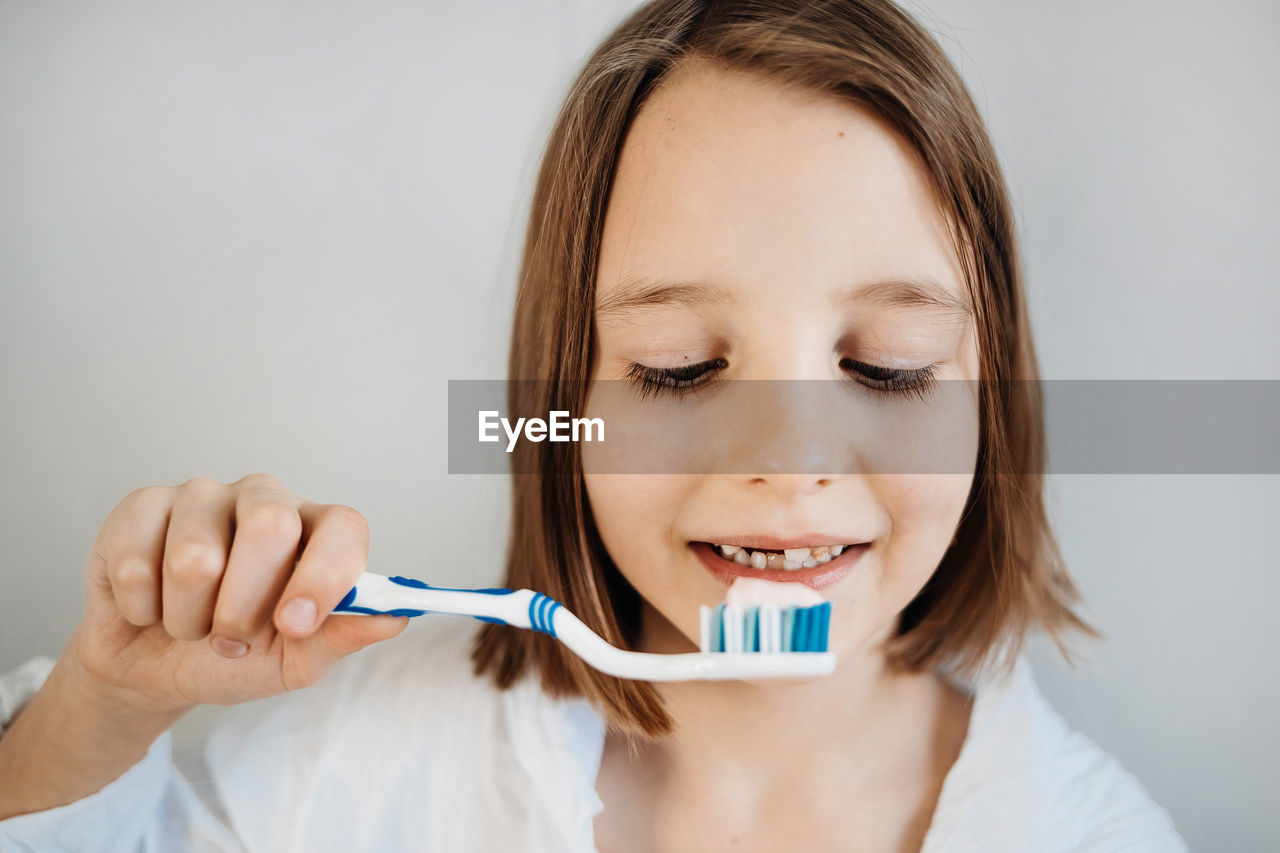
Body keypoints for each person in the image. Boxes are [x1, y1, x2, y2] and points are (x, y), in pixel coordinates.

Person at [0, 0, 1188, 849]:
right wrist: (104, 704)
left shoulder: (1092, 833)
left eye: (884, 369)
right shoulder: (370, 763)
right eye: (676, 373)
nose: (785, 462)